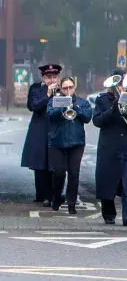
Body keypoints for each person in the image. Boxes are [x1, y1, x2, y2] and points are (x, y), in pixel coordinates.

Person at [93, 69, 127, 226]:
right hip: (110, 147)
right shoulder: (102, 100)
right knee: (107, 180)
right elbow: (97, 121)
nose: (122, 86)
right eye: (120, 83)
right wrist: (113, 108)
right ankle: (109, 213)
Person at [46, 76, 93, 213]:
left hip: (76, 142)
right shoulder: (54, 101)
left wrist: (76, 109)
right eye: (65, 88)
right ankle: (56, 197)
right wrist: (61, 107)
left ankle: (71, 203)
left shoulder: (81, 102)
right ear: (61, 88)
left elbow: (87, 117)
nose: (68, 91)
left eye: (70, 87)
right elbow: (49, 115)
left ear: (74, 87)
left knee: (74, 173)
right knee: (59, 172)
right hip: (57, 142)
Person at [21, 63, 61, 206]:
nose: (52, 80)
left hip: (55, 128)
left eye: (54, 77)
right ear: (43, 77)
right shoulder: (36, 89)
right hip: (39, 128)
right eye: (49, 77)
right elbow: (33, 106)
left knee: (54, 164)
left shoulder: (62, 89)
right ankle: (41, 194)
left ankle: (52, 195)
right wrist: (48, 95)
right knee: (39, 163)